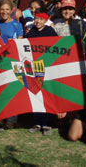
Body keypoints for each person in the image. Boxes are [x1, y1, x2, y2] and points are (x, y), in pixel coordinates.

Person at [25, 7, 57, 136]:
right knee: (36, 95)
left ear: (46, 20)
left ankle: (48, 123)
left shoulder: (50, 31)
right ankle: (37, 122)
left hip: (48, 67)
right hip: (35, 68)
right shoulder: (31, 31)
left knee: (48, 95)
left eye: (41, 19)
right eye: (36, 18)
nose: (38, 21)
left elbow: (57, 47)